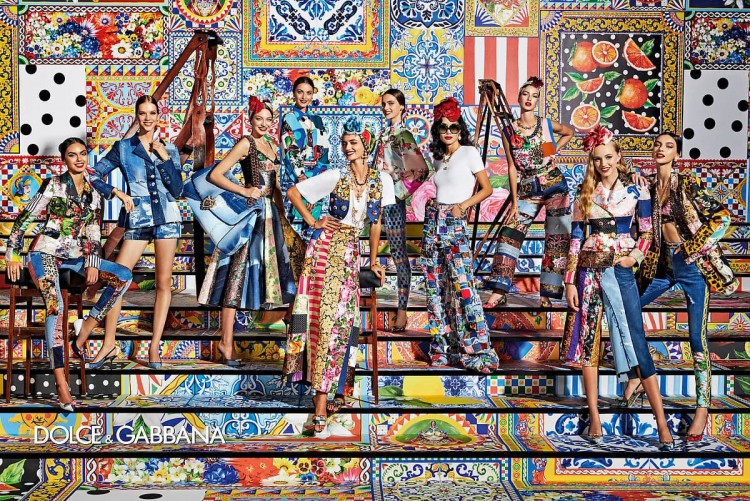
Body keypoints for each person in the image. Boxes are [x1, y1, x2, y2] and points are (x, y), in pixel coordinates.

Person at [562, 126, 673, 450]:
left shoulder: (637, 190)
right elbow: (575, 239)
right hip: (588, 274)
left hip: (621, 271)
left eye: (608, 157)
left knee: (636, 340)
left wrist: (633, 257)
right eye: (598, 159)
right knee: (589, 343)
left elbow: (648, 233)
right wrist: (569, 281)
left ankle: (661, 423)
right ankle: (594, 418)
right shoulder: (585, 193)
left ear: (618, 156)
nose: (604, 164)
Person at [282, 116, 394, 436]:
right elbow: (293, 192)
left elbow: (375, 222)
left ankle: (335, 391)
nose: (347, 148)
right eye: (344, 143)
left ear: (366, 146)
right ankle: (319, 406)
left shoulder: (381, 180)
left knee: (345, 325)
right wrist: (313, 221)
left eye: (353, 143)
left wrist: (373, 260)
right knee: (325, 323)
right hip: (325, 251)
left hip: (350, 254)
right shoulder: (335, 175)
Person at [5, 138, 132, 411]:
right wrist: (12, 254)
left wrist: (94, 263)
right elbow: (25, 218)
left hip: (76, 258)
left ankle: (85, 330)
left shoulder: (94, 193)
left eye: (83, 154)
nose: (79, 159)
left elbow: (94, 233)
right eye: (72, 155)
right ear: (64, 159)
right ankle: (62, 384)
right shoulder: (53, 185)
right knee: (56, 308)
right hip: (45, 253)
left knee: (123, 275)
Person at [638, 132, 738, 442]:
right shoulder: (648, 187)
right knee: (628, 309)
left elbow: (722, 217)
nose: (661, 149)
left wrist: (693, 247)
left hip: (693, 266)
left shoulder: (686, 183)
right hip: (661, 265)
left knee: (696, 337)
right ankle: (637, 375)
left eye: (668, 146)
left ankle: (702, 409)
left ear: (677, 155)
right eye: (657, 145)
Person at [197, 96, 298, 365]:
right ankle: (226, 341)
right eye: (258, 119)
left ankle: (293, 339)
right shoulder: (246, 143)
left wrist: (283, 214)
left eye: (268, 119)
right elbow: (215, 174)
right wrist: (244, 191)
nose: (263, 123)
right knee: (236, 275)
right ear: (250, 120)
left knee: (280, 277)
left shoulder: (273, 146)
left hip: (271, 217)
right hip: (252, 216)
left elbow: (276, 187)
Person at [87, 95, 184, 369]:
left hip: (167, 219)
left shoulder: (169, 148)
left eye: (152, 113)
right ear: (136, 116)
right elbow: (93, 175)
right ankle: (108, 344)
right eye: (143, 113)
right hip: (138, 219)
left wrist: (164, 158)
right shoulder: (123, 148)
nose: (148, 118)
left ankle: (154, 347)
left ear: (158, 116)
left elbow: (178, 190)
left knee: (163, 283)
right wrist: (116, 192)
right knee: (118, 279)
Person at [421, 97, 499, 374]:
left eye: (453, 127)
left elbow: (487, 189)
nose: (448, 132)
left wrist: (463, 206)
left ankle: (479, 350)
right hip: (433, 223)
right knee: (434, 289)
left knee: (464, 288)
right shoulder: (437, 157)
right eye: (443, 127)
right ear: (437, 129)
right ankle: (444, 349)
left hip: (454, 224)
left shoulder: (469, 152)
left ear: (460, 129)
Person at [484, 77, 574, 308]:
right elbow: (512, 167)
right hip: (527, 187)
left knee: (557, 238)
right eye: (525, 94)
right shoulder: (509, 130)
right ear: (519, 97)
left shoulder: (545, 123)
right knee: (509, 233)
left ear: (537, 100)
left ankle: (547, 294)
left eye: (534, 96)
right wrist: (514, 203)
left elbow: (569, 132)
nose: (529, 99)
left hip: (555, 184)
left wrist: (551, 149)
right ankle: (499, 289)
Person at [373, 88, 430, 331]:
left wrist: (397, 193)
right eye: (384, 104)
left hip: (393, 202)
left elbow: (421, 171)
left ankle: (402, 310)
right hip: (376, 199)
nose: (387, 108)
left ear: (401, 107)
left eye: (391, 104)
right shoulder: (383, 134)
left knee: (398, 255)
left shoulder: (403, 134)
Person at [279, 76, 331, 243]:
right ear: (294, 93)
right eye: (300, 92)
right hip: (296, 179)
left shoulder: (317, 120)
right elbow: (290, 151)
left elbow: (324, 152)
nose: (304, 97)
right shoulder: (289, 118)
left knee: (314, 232)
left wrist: (315, 180)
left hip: (316, 178)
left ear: (312, 95)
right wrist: (302, 177)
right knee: (294, 232)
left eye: (308, 93)